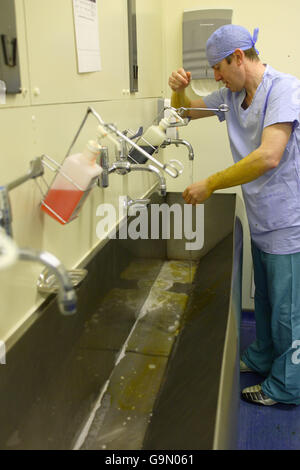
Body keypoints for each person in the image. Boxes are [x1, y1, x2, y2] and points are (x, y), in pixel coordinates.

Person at [168, 24, 300, 406]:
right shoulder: (232, 95)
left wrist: (210, 183)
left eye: (219, 68)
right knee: (267, 300)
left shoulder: (284, 88)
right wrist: (178, 87)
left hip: (289, 219)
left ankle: (288, 386)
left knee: (289, 309)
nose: (216, 77)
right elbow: (185, 111)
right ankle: (262, 356)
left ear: (238, 57)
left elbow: (269, 155)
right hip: (263, 216)